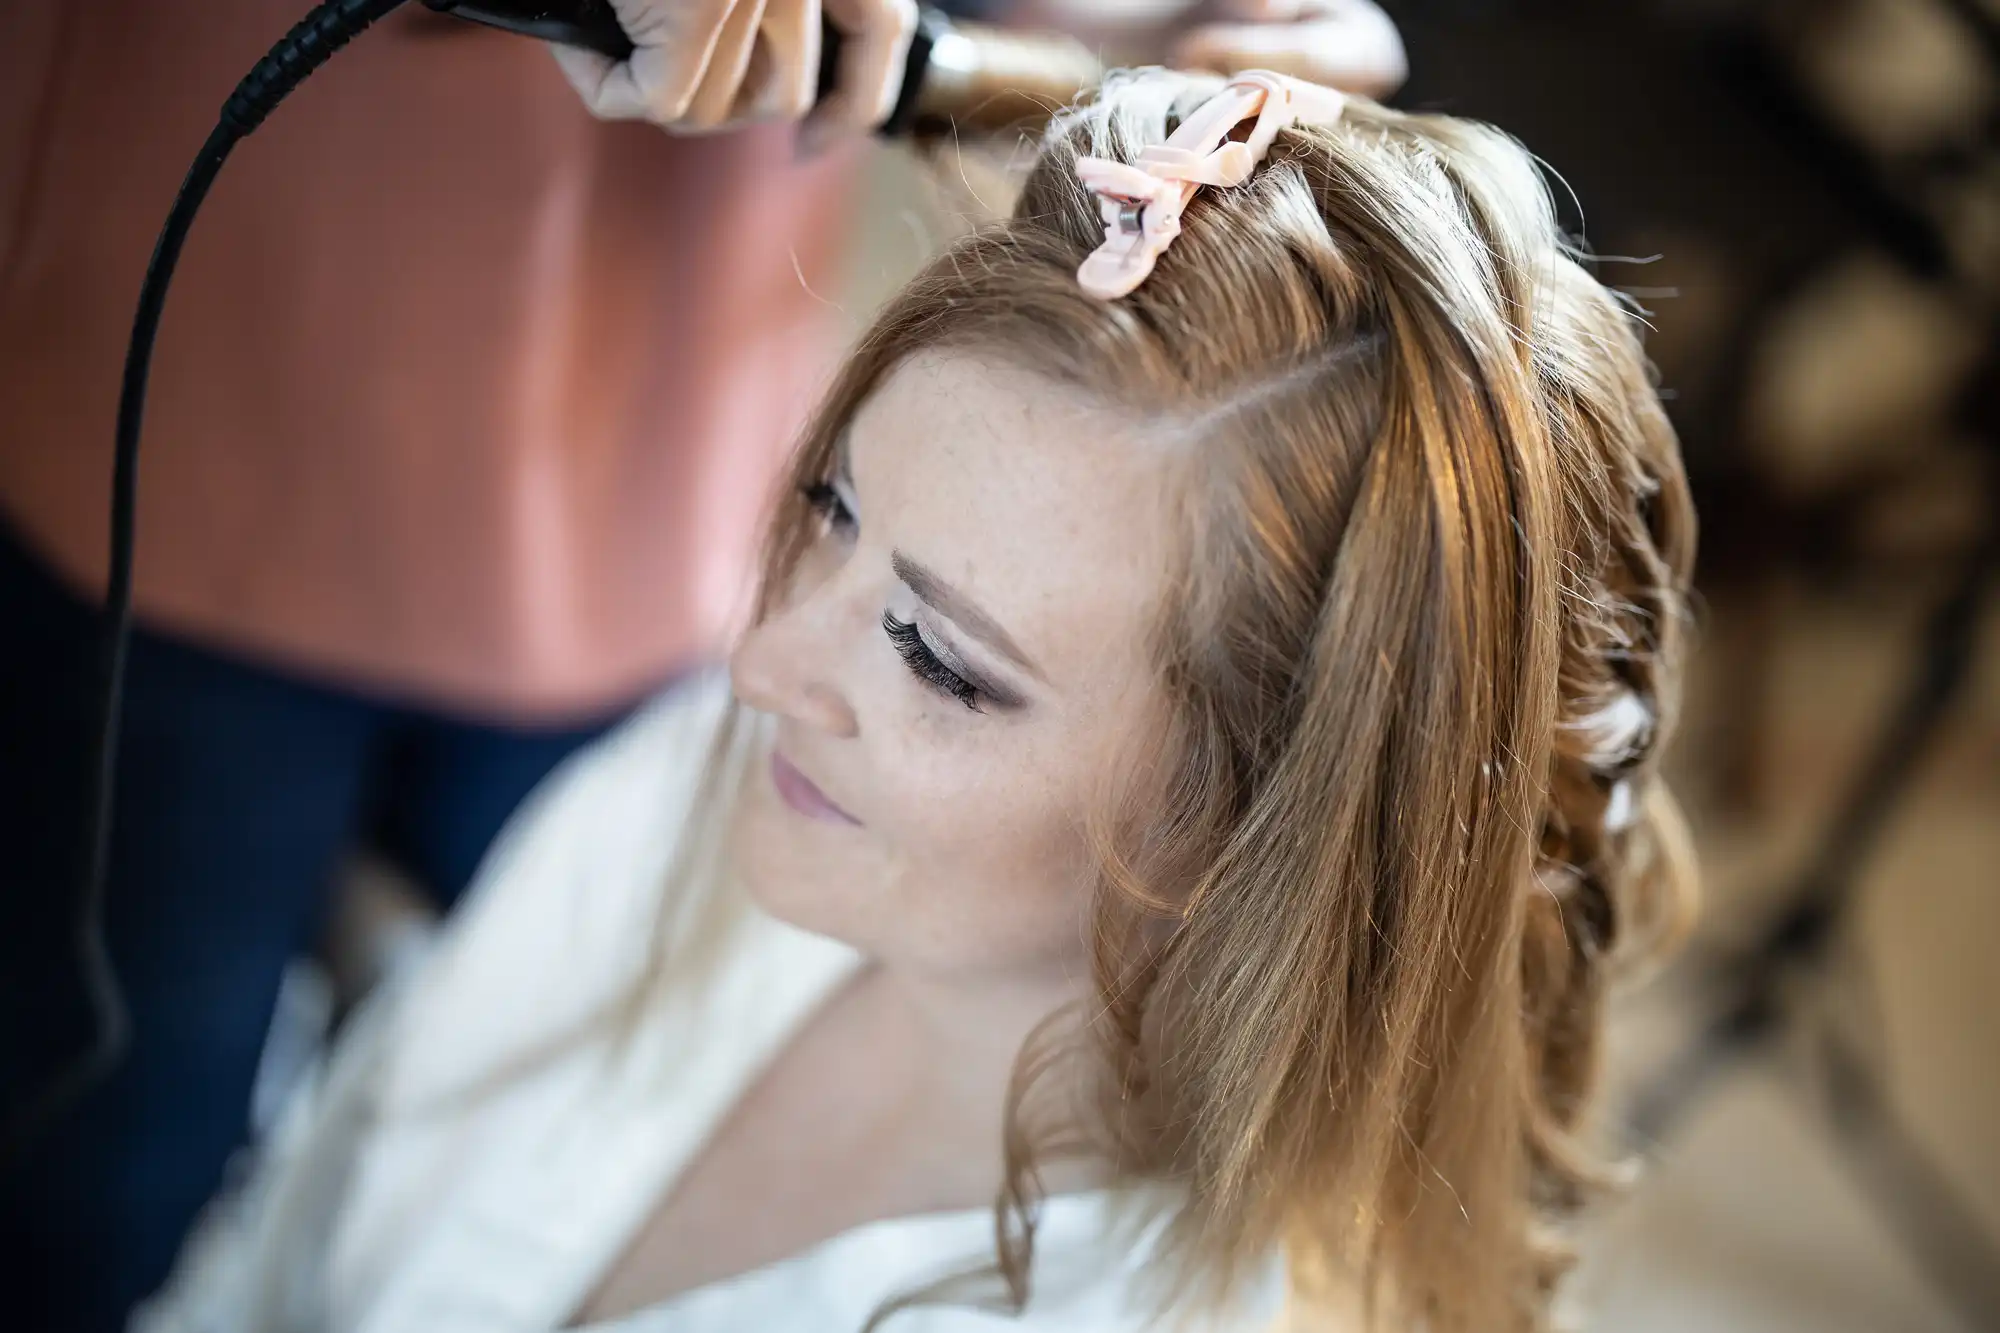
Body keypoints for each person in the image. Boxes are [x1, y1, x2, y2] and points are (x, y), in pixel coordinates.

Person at [136, 64, 1699, 1333]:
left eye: (942, 661)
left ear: (1265, 819)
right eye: (828, 507)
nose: (760, 667)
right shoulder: (721, 783)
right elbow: (271, 1253)